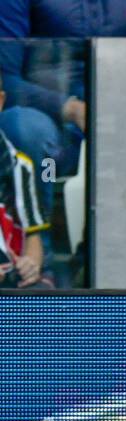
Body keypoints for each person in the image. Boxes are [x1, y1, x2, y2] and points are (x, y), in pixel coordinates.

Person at [0, 0, 126, 216]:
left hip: (121, 116)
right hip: (51, 128)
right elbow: (6, 80)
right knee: (30, 131)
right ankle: (37, 241)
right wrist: (70, 108)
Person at [0, 72, 48, 288]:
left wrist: (30, 264)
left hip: (7, 283)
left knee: (39, 290)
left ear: (0, 102)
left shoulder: (20, 167)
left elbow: (33, 236)